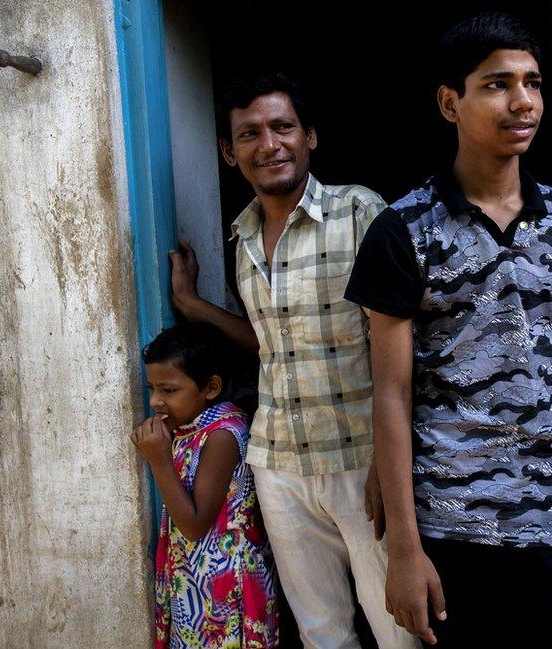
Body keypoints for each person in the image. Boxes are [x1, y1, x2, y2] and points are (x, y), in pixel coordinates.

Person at [345, 13, 552, 648]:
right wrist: (404, 550)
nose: (523, 102)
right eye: (497, 84)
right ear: (448, 102)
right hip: (452, 524)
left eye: (533, 83)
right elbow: (391, 394)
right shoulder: (402, 231)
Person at [169, 72, 418, 648]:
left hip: (360, 458)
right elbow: (270, 341)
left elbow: (399, 347)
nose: (269, 144)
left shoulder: (360, 213)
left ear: (310, 137)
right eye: (250, 133)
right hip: (277, 461)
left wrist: (389, 461)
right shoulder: (244, 237)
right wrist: (192, 304)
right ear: (230, 153)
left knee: (397, 627)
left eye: (283, 127)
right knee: (321, 630)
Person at [132, 322, 278, 649]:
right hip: (196, 581)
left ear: (211, 387)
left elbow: (196, 524)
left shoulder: (222, 435)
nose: (155, 401)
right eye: (152, 388)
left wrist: (159, 460)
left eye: (169, 390)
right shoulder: (190, 428)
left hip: (224, 585)